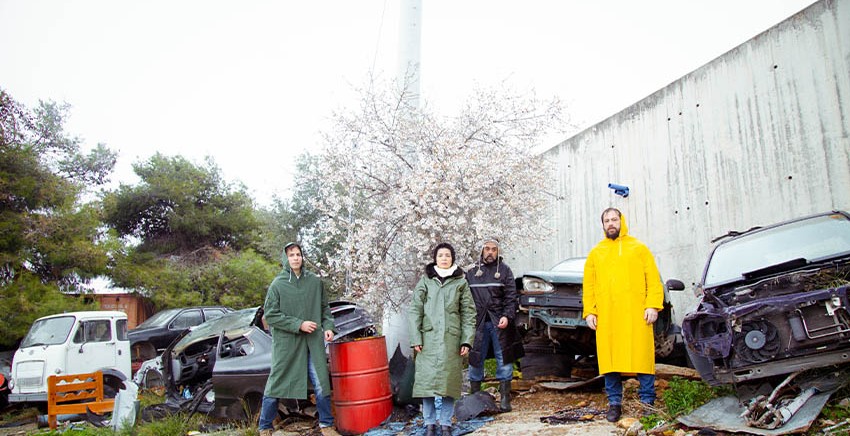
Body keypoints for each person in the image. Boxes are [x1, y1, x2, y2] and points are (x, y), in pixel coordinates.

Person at [582, 208, 664, 422]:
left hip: (637, 314)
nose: (611, 223)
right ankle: (615, 403)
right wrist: (590, 310)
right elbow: (588, 286)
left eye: (614, 219)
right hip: (608, 316)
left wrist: (653, 305)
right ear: (602, 225)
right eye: (607, 220)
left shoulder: (639, 248)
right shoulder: (596, 252)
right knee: (610, 360)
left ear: (622, 221)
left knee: (642, 358)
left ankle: (647, 403)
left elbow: (653, 279)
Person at [258, 242, 338, 436]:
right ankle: (264, 427)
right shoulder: (278, 284)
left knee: (321, 382)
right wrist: (298, 324)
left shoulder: (314, 282)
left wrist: (328, 327)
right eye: (291, 254)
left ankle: (327, 425)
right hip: (288, 343)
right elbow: (271, 315)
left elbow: (325, 309)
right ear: (285, 258)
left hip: (313, 342)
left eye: (298, 254)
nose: (296, 257)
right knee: (276, 383)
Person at [408, 242, 477, 436]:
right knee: (426, 384)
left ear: (452, 259)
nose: (444, 258)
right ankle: (429, 423)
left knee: (449, 383)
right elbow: (415, 309)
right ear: (435, 259)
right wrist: (415, 337)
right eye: (440, 255)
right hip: (427, 340)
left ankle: (446, 423)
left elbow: (469, 313)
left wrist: (466, 340)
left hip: (451, 340)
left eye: (447, 255)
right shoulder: (426, 281)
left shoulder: (461, 283)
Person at [465, 237, 524, 412]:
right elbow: (465, 299)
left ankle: (505, 399)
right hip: (478, 323)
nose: (490, 252)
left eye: (493, 249)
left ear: (498, 252)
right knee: (475, 360)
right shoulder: (472, 272)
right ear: (482, 250)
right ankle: (476, 398)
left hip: (499, 323)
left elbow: (511, 297)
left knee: (503, 359)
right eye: (487, 249)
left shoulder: (505, 271)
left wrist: (507, 315)